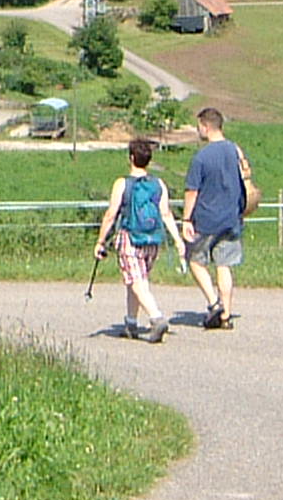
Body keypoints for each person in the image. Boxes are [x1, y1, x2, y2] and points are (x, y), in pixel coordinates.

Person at [94, 138, 182, 341]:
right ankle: (130, 323)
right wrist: (177, 240)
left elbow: (111, 214)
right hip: (152, 239)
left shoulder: (122, 184)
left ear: (131, 158)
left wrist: (100, 241)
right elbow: (166, 213)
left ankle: (156, 318)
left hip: (130, 238)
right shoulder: (158, 184)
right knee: (137, 282)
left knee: (136, 281)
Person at [180, 108, 251, 330]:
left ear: (206, 126)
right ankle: (226, 315)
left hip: (207, 218)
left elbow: (192, 191)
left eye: (199, 126)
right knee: (224, 265)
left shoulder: (201, 157)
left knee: (195, 260)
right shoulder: (234, 150)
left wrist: (186, 219)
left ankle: (214, 302)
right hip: (231, 217)